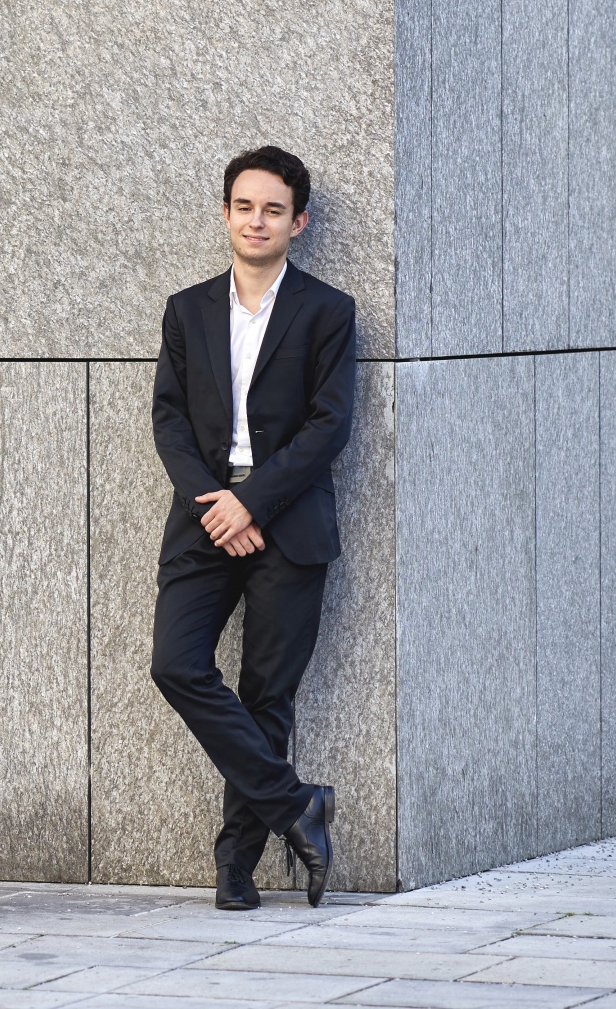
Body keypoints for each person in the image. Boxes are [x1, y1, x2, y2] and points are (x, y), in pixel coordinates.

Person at [150, 145, 356, 910]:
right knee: (175, 664)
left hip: (288, 523)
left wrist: (254, 502)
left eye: (273, 209)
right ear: (226, 213)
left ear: (298, 222)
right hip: (204, 518)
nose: (257, 220)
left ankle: (236, 867)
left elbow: (329, 424)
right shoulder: (187, 309)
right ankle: (296, 804)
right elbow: (169, 419)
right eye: (244, 206)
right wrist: (218, 504)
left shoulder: (327, 311)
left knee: (267, 694)